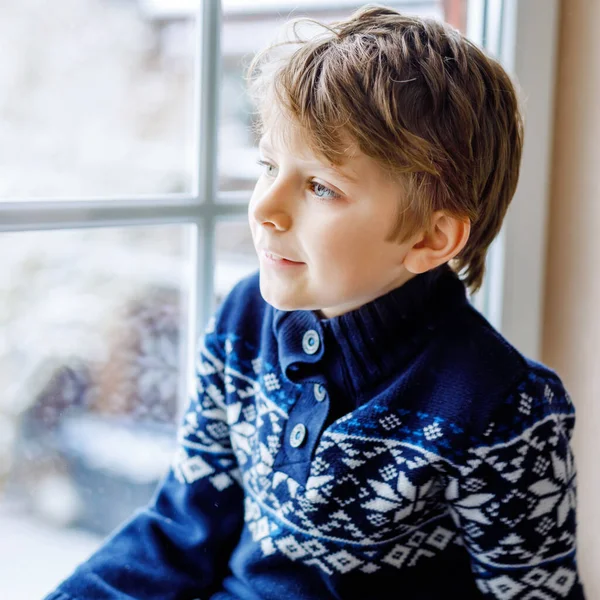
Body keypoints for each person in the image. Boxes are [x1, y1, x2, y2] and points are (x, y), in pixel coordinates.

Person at [45, 5, 585, 599]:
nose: (264, 208)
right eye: (269, 165)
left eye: (321, 186)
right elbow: (181, 530)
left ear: (431, 239)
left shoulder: (502, 406)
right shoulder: (244, 319)